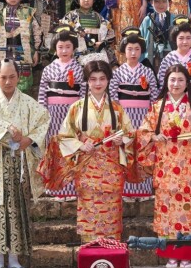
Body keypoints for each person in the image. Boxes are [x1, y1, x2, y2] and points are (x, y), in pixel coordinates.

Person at [41, 59, 135, 241]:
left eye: (102, 78)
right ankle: (89, 252)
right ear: (87, 81)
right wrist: (80, 145)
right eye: (93, 79)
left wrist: (121, 140)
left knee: (111, 210)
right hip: (87, 168)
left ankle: (111, 251)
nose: (98, 83)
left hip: (112, 169)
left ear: (108, 80)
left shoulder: (117, 109)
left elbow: (130, 134)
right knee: (88, 210)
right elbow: (64, 136)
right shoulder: (76, 108)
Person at [0, 60, 51, 268]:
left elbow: (43, 120)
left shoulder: (27, 103)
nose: (8, 82)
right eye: (3, 77)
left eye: (12, 77)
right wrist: (6, 129)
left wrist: (28, 140)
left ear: (18, 77)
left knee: (16, 208)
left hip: (19, 163)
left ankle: (15, 259)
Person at [137, 62, 191, 268]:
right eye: (172, 79)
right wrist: (154, 136)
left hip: (188, 167)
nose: (176, 84)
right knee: (166, 212)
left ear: (187, 83)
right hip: (165, 166)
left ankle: (187, 256)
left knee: (187, 213)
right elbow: (143, 132)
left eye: (181, 80)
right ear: (166, 82)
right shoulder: (157, 107)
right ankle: (171, 255)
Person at [110, 28, 160, 201]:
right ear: (124, 51)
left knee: (143, 149)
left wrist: (152, 118)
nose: (133, 53)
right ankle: (127, 189)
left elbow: (154, 96)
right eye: (130, 49)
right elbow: (113, 97)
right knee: (125, 149)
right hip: (125, 115)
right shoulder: (117, 73)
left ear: (141, 51)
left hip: (143, 115)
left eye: (137, 49)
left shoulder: (147, 72)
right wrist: (117, 117)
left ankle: (144, 189)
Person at [37, 27, 86, 200]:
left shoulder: (79, 69)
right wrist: (43, 113)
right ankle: (55, 187)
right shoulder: (48, 69)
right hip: (53, 114)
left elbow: (83, 94)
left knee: (71, 148)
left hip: (72, 113)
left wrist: (80, 115)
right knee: (55, 149)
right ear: (55, 48)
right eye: (60, 47)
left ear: (74, 48)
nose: (64, 50)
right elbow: (42, 94)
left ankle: (71, 188)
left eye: (68, 47)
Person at [0, 0, 42, 92]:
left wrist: (37, 50)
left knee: (24, 87)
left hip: (24, 55)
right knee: (3, 85)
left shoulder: (29, 13)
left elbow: (37, 32)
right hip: (3, 55)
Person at [157, 20, 191, 114]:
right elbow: (162, 83)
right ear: (175, 39)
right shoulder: (168, 59)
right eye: (181, 38)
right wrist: (163, 104)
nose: (185, 42)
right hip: (172, 101)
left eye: (188, 38)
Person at [60, 0, 113, 64]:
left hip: (96, 53)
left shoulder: (98, 17)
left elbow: (110, 32)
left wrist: (103, 42)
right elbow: (62, 30)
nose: (86, 0)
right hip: (77, 53)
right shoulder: (71, 16)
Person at [138, 0, 180, 74]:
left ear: (169, 2)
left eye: (164, 1)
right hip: (152, 55)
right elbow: (140, 41)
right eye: (157, 1)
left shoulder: (175, 20)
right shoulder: (147, 20)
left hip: (170, 55)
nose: (161, 5)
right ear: (151, 3)